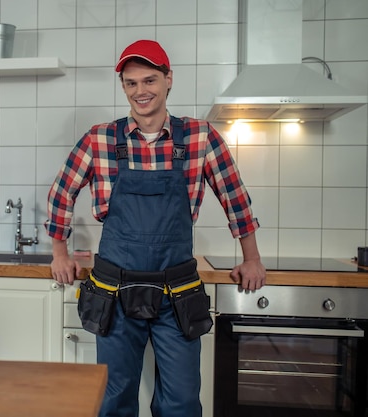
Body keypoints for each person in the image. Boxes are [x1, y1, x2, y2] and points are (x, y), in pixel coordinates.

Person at [44, 39, 267, 417]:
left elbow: (235, 197)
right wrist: (59, 253)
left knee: (180, 402)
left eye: (149, 80)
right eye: (131, 83)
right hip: (114, 289)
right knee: (113, 399)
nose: (140, 91)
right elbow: (61, 193)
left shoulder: (200, 137)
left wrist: (252, 259)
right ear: (124, 88)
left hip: (176, 294)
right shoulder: (100, 139)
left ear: (168, 80)